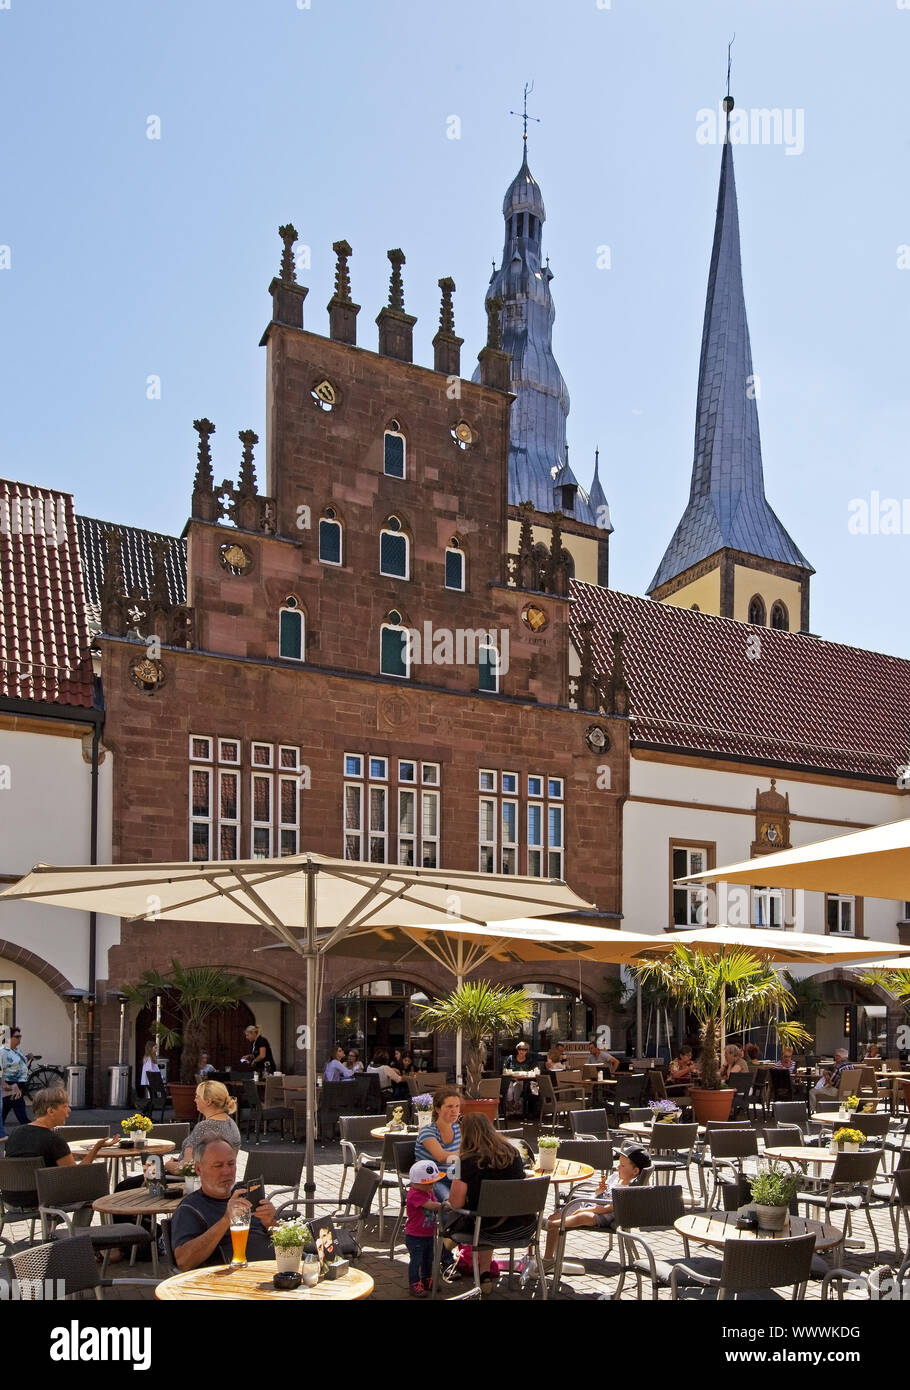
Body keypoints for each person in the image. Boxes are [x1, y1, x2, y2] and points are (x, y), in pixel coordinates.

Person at [445, 1112, 527, 1291]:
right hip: (522, 1226)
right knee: (487, 1213)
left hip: (487, 1229)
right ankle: (484, 1273)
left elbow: (456, 1203)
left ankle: (445, 1250)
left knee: (450, 1212)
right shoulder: (513, 1154)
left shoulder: (464, 1162)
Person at [170, 1135, 277, 1271]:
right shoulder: (190, 1208)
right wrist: (226, 1220)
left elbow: (286, 1243)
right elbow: (184, 1262)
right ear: (198, 1169)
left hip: (274, 1271)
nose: (227, 1171)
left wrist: (272, 1223)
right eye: (218, 1165)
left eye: (231, 1164)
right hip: (233, 1281)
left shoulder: (246, 1195)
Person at [542, 1144, 652, 1265]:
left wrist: (585, 1210)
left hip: (605, 1215)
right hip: (593, 1204)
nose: (617, 1167)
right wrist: (599, 1191)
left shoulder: (626, 1189)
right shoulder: (615, 1177)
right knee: (556, 1215)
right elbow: (600, 1194)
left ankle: (550, 1225)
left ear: (635, 1171)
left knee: (581, 1217)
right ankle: (548, 1259)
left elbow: (609, 1208)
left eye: (622, 1165)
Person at [4, 1086, 110, 1212]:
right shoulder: (54, 1140)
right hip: (43, 1203)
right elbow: (76, 1175)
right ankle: (77, 1231)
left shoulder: (15, 1133)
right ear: (51, 1111)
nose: (69, 1110)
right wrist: (96, 1149)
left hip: (10, 1201)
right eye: (65, 1106)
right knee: (95, 1195)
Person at [164, 1081, 241, 1175]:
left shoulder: (204, 1127)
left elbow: (185, 1168)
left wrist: (167, 1165)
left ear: (208, 1101)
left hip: (193, 1182)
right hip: (220, 1178)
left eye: (197, 1097)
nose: (195, 1100)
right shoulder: (231, 1123)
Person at [405, 1159, 444, 1297]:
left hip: (428, 1234)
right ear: (416, 1183)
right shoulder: (414, 1194)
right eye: (428, 1184)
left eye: (433, 1183)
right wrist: (444, 1205)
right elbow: (431, 1205)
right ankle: (414, 1283)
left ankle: (426, 1279)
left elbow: (433, 1202)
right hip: (415, 1236)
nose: (432, 1186)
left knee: (428, 1258)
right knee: (416, 1260)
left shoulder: (428, 1192)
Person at [415, 1087, 461, 1198]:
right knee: (449, 1204)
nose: (454, 1110)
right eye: (449, 1106)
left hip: (455, 1178)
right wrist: (469, 1156)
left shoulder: (458, 1129)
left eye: (457, 1106)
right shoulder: (427, 1131)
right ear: (438, 1109)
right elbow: (441, 1157)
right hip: (431, 1181)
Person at [1, 1025, 30, 1126]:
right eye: (17, 1037)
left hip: (19, 1084)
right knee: (19, 1108)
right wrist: (3, 1083)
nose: (19, 1039)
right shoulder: (3, 1052)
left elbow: (20, 1062)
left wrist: (28, 1057)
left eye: (20, 1036)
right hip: (11, 1084)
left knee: (5, 1107)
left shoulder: (16, 1050)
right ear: (9, 1038)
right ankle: (28, 1127)